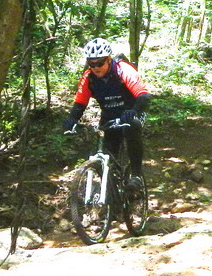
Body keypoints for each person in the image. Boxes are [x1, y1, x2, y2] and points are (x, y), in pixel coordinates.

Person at [63, 38, 151, 184]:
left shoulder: (122, 69)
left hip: (132, 110)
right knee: (109, 152)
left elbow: (144, 96)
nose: (96, 67)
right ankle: (112, 186)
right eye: (92, 64)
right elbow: (80, 102)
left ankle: (136, 175)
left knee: (132, 127)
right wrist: (72, 119)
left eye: (100, 63)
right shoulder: (89, 77)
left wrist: (134, 111)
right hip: (109, 114)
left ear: (109, 60)